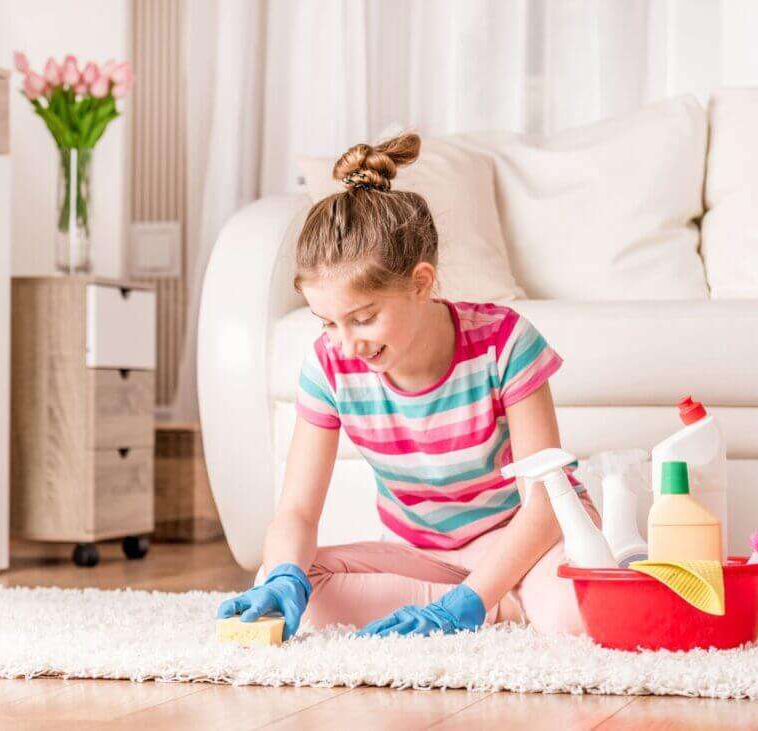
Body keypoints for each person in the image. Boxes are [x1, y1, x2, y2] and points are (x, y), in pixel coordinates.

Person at [216, 132, 597, 640]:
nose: (347, 345)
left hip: (527, 540)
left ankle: (484, 600)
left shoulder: (505, 342)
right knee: (290, 585)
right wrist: (286, 573)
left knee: (575, 615)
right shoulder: (329, 366)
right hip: (421, 556)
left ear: (420, 283)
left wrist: (469, 596)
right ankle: (498, 606)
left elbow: (545, 505)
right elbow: (298, 512)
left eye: (364, 318)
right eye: (328, 323)